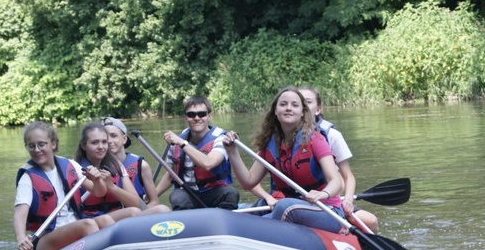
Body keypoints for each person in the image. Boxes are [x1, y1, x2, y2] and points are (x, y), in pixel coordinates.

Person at [250, 86, 380, 233]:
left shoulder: (329, 136)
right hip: (290, 199)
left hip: (324, 199)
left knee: (370, 221)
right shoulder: (279, 139)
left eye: (307, 102)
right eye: (298, 102)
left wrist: (348, 200)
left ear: (316, 109)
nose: (291, 108)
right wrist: (268, 197)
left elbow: (344, 178)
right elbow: (250, 180)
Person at [222, 86, 345, 232]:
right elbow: (248, 182)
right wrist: (232, 151)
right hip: (291, 205)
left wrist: (322, 194)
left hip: (327, 210)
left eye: (294, 105)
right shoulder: (270, 144)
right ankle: (238, 227)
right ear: (275, 111)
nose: (288, 108)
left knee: (285, 206)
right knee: (272, 205)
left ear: (302, 113)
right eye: (283, 104)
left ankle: (247, 229)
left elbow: (336, 181)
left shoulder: (315, 139)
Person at [14, 121, 116, 250]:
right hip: (45, 238)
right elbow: (20, 214)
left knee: (106, 220)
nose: (36, 150)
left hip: (74, 226)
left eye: (41, 144)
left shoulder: (70, 165)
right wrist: (21, 238)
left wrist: (97, 179)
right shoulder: (27, 178)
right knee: (88, 224)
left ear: (53, 144)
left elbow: (99, 192)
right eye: (31, 146)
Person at [156, 96, 240, 210]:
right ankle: (188, 225)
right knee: (177, 197)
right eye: (191, 114)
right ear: (186, 117)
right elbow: (172, 174)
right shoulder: (177, 140)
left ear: (209, 116)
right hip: (187, 193)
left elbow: (208, 163)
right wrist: (152, 196)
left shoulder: (221, 139)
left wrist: (183, 144)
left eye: (202, 114)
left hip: (214, 192)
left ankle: (222, 222)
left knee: (231, 193)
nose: (196, 118)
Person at [73, 122, 141, 221]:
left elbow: (137, 204)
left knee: (161, 209)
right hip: (90, 221)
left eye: (104, 142)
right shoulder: (75, 169)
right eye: (94, 142)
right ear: (83, 146)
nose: (101, 147)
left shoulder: (117, 165)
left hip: (117, 217)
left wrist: (111, 186)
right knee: (133, 213)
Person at [102, 116, 170, 215]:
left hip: (136, 214)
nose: (109, 141)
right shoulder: (98, 165)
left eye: (113, 136)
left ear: (124, 139)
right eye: (105, 138)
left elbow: (154, 202)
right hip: (112, 217)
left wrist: (142, 210)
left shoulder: (141, 165)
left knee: (162, 209)